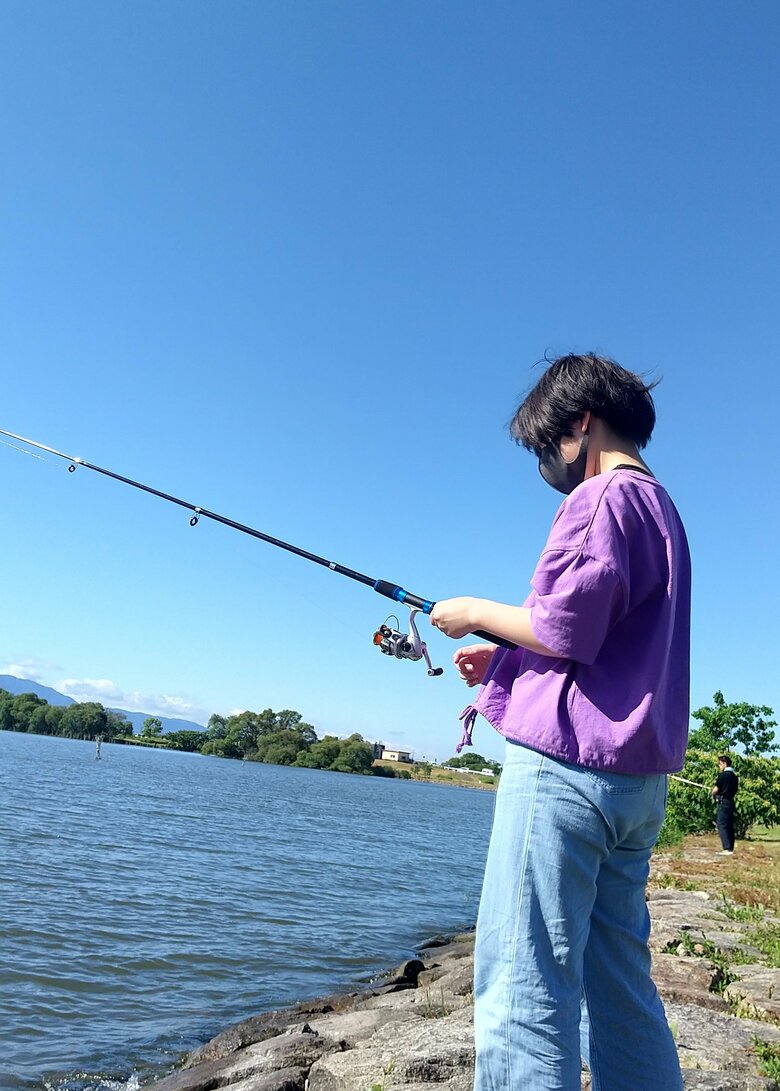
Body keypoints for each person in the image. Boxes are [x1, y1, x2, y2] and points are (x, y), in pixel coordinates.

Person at [430, 353, 691, 1091]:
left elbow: (567, 624)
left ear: (581, 422)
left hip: (565, 774)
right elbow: (600, 633)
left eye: (547, 446)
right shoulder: (662, 510)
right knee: (620, 987)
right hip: (635, 788)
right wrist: (510, 651)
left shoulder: (601, 498)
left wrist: (474, 611)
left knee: (523, 987)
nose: (547, 463)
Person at [712, 755, 739, 855]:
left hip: (723, 802)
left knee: (721, 824)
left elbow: (716, 789)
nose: (719, 766)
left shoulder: (723, 775)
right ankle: (730, 848)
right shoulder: (735, 776)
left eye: (719, 764)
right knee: (729, 825)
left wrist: (713, 793)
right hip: (730, 802)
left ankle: (726, 848)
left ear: (724, 763)